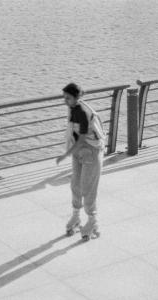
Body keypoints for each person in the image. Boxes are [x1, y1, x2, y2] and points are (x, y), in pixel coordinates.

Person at [56, 83, 104, 241]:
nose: (65, 101)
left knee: (88, 188)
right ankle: (76, 216)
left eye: (68, 98)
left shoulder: (82, 112)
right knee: (75, 185)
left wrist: (64, 155)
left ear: (76, 98)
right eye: (64, 97)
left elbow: (82, 139)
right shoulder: (72, 108)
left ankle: (93, 221)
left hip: (90, 151)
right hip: (79, 152)